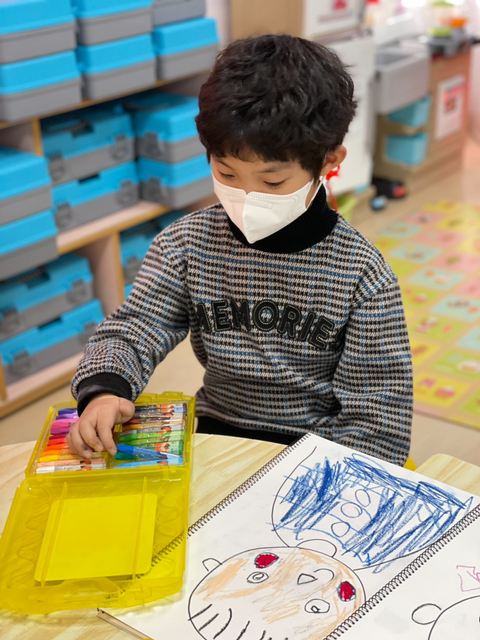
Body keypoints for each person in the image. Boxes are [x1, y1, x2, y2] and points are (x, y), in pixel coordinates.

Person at [68, 34, 413, 466]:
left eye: (272, 182)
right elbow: (137, 327)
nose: (247, 198)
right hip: (218, 431)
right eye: (227, 173)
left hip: (317, 449)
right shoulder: (186, 244)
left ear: (329, 161)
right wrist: (104, 391)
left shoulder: (363, 274)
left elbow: (380, 411)